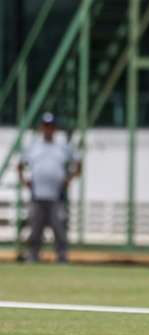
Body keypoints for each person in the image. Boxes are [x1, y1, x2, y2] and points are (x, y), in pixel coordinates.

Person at [18, 112, 81, 263]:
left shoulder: (63, 146)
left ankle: (62, 257)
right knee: (35, 228)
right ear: (41, 128)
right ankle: (33, 256)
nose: (48, 129)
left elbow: (78, 163)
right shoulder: (33, 146)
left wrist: (68, 179)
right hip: (37, 195)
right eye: (46, 126)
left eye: (51, 126)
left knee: (59, 228)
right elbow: (20, 165)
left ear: (55, 128)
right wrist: (24, 181)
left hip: (56, 196)